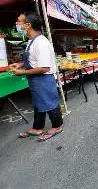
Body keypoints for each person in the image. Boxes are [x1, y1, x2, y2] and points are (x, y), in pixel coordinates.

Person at [9, 12, 63, 142]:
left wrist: (22, 72)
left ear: (28, 25)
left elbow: (44, 68)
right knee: (38, 104)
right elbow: (33, 60)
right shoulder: (32, 41)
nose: (17, 24)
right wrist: (20, 63)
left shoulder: (41, 43)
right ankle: (38, 128)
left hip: (44, 79)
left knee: (49, 103)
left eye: (19, 21)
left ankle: (57, 126)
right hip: (36, 80)